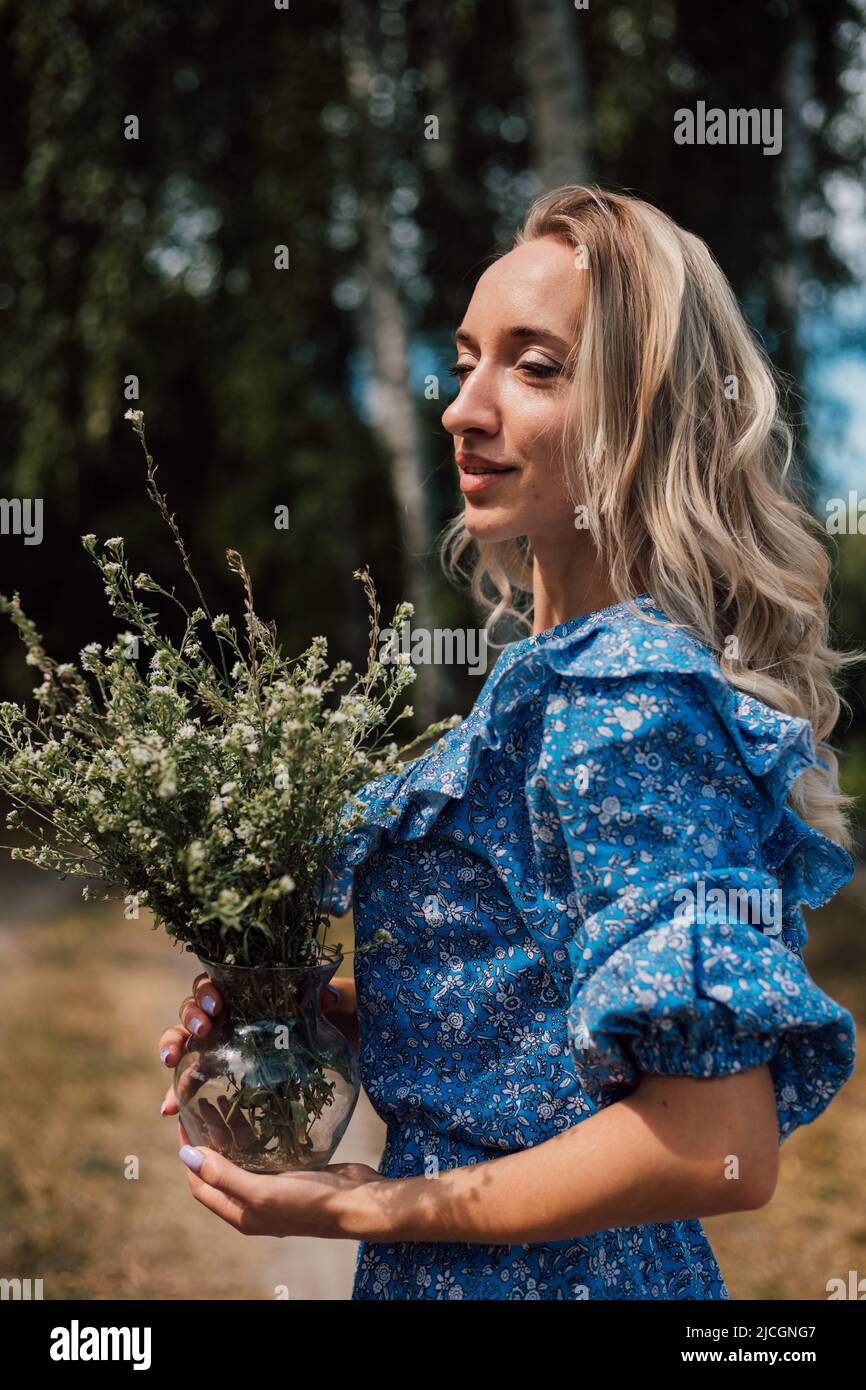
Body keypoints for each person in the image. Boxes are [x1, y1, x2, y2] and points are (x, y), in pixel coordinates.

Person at [158, 185, 859, 1300]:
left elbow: (712, 1137)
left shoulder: (624, 702)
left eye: (533, 367)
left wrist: (358, 1201)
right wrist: (301, 1011)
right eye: (468, 357)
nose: (461, 406)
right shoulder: (545, 685)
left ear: (644, 413)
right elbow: (544, 1018)